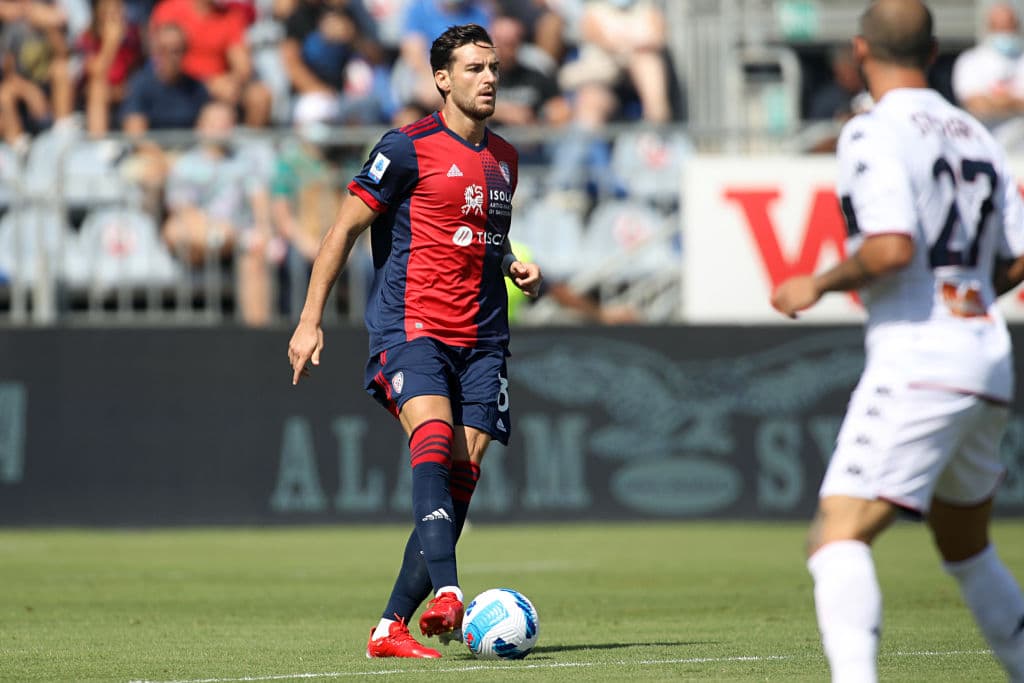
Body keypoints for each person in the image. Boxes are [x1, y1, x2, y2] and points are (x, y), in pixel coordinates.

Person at [771, 2, 1024, 681]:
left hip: (922, 352)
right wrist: (967, 291)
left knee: (835, 536)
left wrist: (816, 282)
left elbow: (889, 247)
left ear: (859, 52)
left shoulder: (872, 130)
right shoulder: (976, 131)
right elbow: (1018, 252)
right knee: (966, 545)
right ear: (935, 50)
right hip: (987, 351)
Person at [287, 23, 542, 658]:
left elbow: (479, 231)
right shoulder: (405, 148)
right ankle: (450, 592)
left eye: (493, 68)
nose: (488, 78)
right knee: (431, 439)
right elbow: (343, 231)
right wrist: (310, 319)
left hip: (484, 338)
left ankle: (388, 628)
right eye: (474, 68)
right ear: (442, 79)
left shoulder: (504, 158)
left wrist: (513, 264)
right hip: (413, 327)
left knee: (462, 476)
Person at [952, 2, 1024, 128]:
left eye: (1009, 26)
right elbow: (975, 103)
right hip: (987, 137)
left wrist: (994, 101)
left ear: (1017, 26)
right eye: (999, 27)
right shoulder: (970, 60)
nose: (1005, 32)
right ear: (989, 27)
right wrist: (1013, 101)